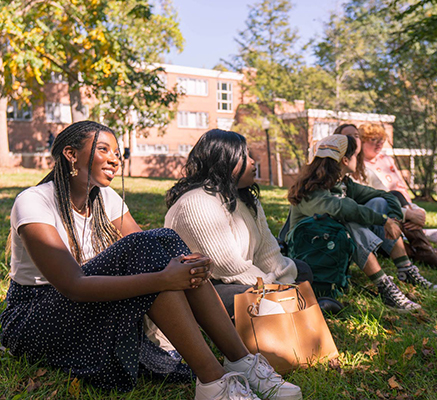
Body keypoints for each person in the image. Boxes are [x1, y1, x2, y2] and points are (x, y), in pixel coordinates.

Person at [0, 121, 301, 400]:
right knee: (151, 250)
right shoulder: (34, 201)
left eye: (118, 152)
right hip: (35, 318)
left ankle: (242, 362)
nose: (115, 159)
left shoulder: (105, 198)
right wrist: (163, 279)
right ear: (71, 154)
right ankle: (213, 383)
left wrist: (191, 265)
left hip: (85, 307)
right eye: (103, 149)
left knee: (164, 242)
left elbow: (154, 251)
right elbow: (73, 285)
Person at [288, 135, 437, 314]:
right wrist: (383, 220)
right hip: (306, 251)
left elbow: (385, 195)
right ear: (346, 160)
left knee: (377, 202)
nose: (359, 158)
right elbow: (343, 208)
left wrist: (393, 218)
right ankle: (384, 286)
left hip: (332, 244)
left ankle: (406, 270)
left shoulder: (343, 184)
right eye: (356, 155)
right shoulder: (312, 190)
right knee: (349, 221)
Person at [164, 129, 312, 317]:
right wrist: (275, 288)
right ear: (224, 161)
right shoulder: (197, 202)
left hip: (249, 278)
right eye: (244, 155)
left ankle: (287, 305)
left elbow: (268, 252)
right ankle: (293, 306)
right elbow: (228, 267)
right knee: (242, 296)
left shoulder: (245, 199)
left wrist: (284, 282)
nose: (252, 161)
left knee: (302, 270)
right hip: (208, 286)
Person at [333, 123, 437, 269]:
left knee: (393, 195)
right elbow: (360, 208)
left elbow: (388, 196)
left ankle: (423, 250)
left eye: (356, 136)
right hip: (359, 226)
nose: (354, 139)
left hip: (378, 223)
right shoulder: (338, 171)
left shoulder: (363, 170)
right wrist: (407, 215)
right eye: (348, 136)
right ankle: (424, 251)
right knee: (380, 205)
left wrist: (414, 211)